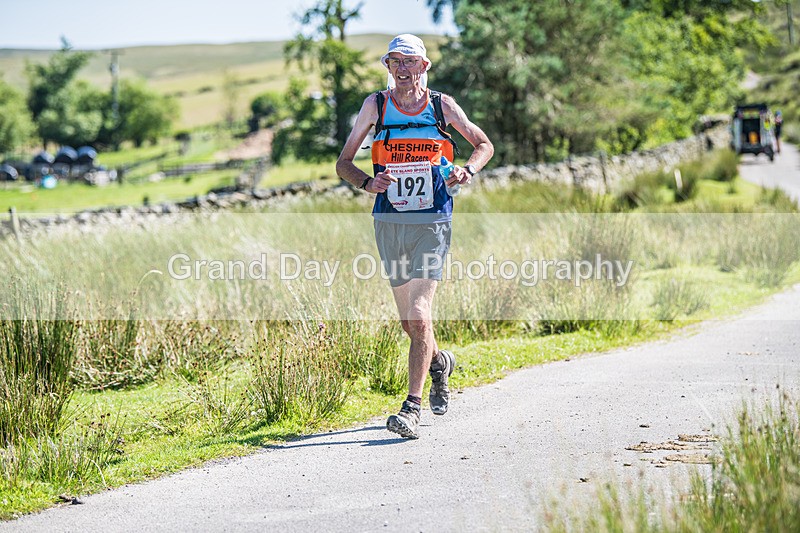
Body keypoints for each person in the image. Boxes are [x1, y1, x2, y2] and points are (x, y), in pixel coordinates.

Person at [336, 34, 494, 439]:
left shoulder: (442, 106)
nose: (402, 69)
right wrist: (368, 183)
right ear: (388, 67)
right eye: (394, 62)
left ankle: (411, 408)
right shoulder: (376, 105)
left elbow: (483, 144)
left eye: (409, 62)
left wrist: (466, 171)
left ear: (424, 67)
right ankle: (440, 363)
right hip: (389, 221)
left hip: (433, 220)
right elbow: (343, 163)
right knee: (411, 325)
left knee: (420, 314)